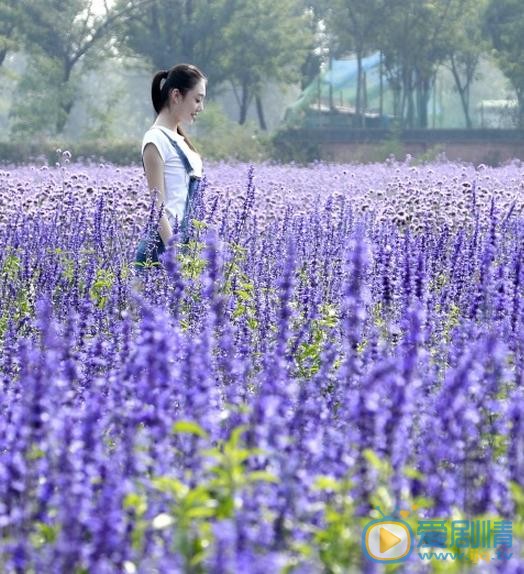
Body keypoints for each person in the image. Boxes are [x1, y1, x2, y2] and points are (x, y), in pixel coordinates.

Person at [135, 63, 207, 268]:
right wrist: (174, 255)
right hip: (161, 250)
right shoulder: (155, 139)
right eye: (197, 99)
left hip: (185, 247)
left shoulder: (181, 141)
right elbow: (157, 206)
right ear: (176, 95)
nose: (200, 107)